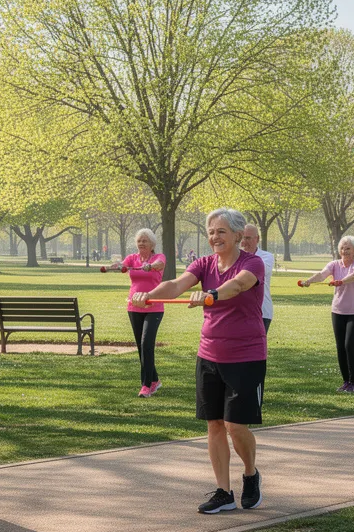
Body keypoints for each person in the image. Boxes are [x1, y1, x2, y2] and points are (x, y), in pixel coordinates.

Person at [132, 208, 266, 514]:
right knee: (215, 424)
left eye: (221, 232)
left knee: (235, 424)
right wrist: (149, 294)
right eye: (210, 232)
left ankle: (250, 474)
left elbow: (239, 285)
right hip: (209, 354)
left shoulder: (252, 263)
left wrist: (212, 294)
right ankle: (224, 492)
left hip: (246, 354)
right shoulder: (204, 263)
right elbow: (177, 285)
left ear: (236, 235)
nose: (214, 237)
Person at [301, 235, 354, 393]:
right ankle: (345, 381)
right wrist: (309, 281)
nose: (344, 250)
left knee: (349, 345)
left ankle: (353, 383)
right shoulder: (334, 265)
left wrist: (341, 281)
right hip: (338, 311)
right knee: (340, 347)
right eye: (342, 248)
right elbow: (322, 274)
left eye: (348, 248)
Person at [110, 229, 167, 397]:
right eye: (139, 240)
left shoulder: (158, 257)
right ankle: (155, 380)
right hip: (134, 305)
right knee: (141, 346)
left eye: (145, 240)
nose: (141, 243)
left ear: (152, 244)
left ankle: (146, 385)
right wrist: (118, 266)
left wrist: (149, 266)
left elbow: (159, 265)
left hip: (153, 306)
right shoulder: (132, 258)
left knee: (147, 344)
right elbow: (124, 264)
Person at [240, 224, 276, 333]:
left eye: (248, 238)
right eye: (242, 238)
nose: (244, 242)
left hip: (262, 312)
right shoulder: (234, 257)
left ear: (257, 239)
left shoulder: (266, 257)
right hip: (239, 312)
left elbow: (253, 273)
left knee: (255, 349)